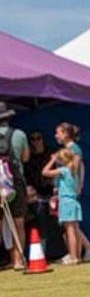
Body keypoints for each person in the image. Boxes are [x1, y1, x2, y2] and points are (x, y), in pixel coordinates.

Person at [54, 122, 90, 261]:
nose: (56, 136)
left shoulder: (74, 149)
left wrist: (77, 186)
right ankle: (77, 253)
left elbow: (76, 170)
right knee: (72, 225)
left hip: (70, 191)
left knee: (72, 224)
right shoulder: (67, 149)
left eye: (58, 133)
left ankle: (83, 250)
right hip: (65, 190)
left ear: (66, 134)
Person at [0, 101, 30, 271]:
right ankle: (17, 260)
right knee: (18, 222)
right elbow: (25, 158)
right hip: (15, 181)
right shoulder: (19, 134)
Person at [41, 148, 83, 265]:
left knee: (69, 231)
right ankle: (77, 256)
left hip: (66, 202)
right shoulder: (73, 171)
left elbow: (44, 172)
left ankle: (73, 257)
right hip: (73, 201)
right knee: (75, 229)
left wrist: (52, 160)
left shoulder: (64, 170)